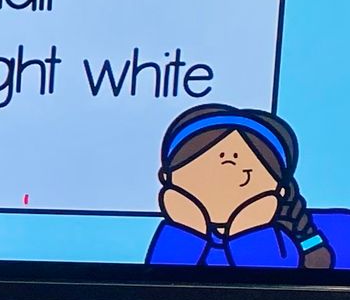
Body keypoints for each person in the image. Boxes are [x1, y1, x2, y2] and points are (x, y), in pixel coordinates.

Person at [144, 104, 336, 269]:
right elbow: (158, 282)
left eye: (246, 175)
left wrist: (249, 229)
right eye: (203, 174)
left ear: (280, 190)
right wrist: (187, 228)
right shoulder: (176, 233)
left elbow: (268, 284)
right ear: (167, 177)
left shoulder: (279, 239)